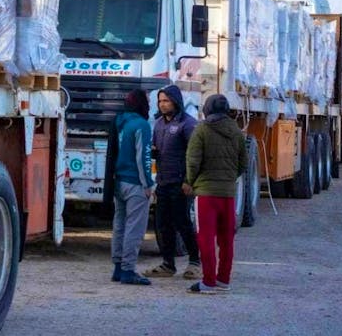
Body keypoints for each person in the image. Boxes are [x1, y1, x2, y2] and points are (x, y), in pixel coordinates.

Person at [183, 94, 247, 294]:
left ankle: (208, 281)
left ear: (207, 110)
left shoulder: (202, 130)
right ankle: (223, 279)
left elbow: (193, 161)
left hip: (206, 194)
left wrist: (189, 182)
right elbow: (242, 163)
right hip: (228, 194)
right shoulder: (236, 131)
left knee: (206, 237)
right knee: (226, 239)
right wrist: (228, 178)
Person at [145, 86, 202, 280]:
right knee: (162, 224)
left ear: (176, 102)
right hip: (163, 182)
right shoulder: (159, 124)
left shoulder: (188, 124)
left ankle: (194, 262)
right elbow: (157, 149)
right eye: (160, 101)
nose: (162, 105)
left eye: (166, 101)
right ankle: (168, 264)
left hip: (180, 183)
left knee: (183, 223)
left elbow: (194, 156)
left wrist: (189, 181)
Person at [103, 88, 155, 285]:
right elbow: (144, 157)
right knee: (135, 227)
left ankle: (118, 267)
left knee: (120, 225)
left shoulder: (120, 121)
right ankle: (128, 269)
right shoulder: (142, 125)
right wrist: (147, 183)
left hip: (119, 181)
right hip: (135, 183)